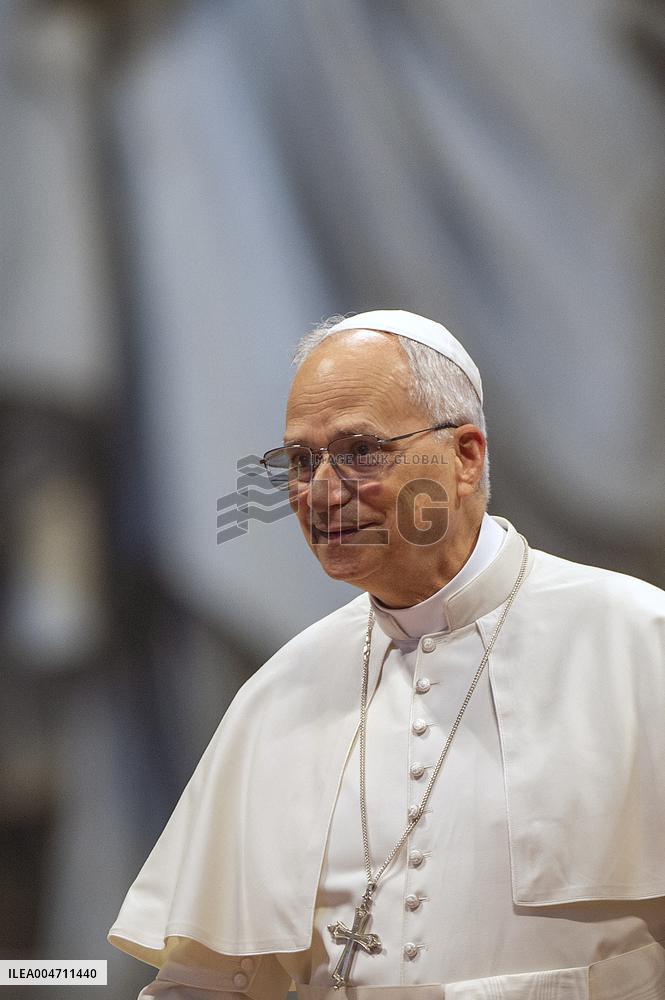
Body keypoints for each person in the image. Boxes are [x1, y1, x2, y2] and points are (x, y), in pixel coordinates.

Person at [109, 310, 665, 999]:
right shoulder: (280, 693)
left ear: (464, 458)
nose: (320, 492)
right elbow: (206, 982)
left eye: (361, 450)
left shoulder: (638, 644)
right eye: (301, 460)